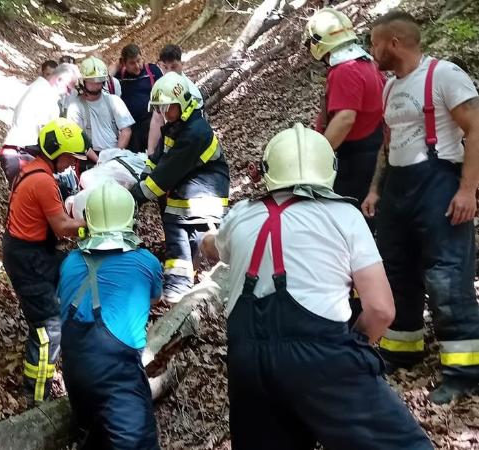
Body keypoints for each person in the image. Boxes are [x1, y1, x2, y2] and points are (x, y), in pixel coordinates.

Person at [201, 123, 434, 450]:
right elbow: (381, 309)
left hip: (247, 361)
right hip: (322, 358)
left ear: (268, 171)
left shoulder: (241, 214)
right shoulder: (344, 216)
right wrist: (357, 344)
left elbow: (213, 247)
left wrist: (206, 240)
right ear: (329, 170)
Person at [362, 10, 479, 404]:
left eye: (375, 43)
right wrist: (377, 189)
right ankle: (402, 351)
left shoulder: (443, 75)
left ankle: (464, 371)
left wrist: (467, 191)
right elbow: (389, 142)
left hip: (440, 185)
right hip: (398, 190)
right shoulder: (388, 88)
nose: (372, 51)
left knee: (446, 278)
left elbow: (475, 128)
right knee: (397, 270)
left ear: (393, 42)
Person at [58, 182, 162, 449]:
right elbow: (155, 299)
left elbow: (62, 299)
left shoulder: (69, 262)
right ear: (129, 220)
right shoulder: (146, 262)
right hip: (117, 375)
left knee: (96, 435)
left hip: (74, 371)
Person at [2, 118, 88, 407]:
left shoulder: (34, 170)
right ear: (55, 151)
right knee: (48, 327)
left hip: (34, 252)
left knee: (73, 273)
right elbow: (63, 227)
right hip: (29, 259)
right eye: (69, 157)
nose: (70, 164)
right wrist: (89, 226)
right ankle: (37, 395)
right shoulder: (41, 180)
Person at [130, 72, 229, 303]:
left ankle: (179, 286)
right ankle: (185, 279)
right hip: (194, 190)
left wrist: (134, 196)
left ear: (182, 103)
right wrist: (144, 177)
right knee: (183, 233)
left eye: (167, 107)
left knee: (178, 228)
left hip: (204, 194)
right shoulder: (177, 126)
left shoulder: (194, 132)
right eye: (160, 108)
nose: (164, 113)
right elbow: (157, 159)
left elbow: (165, 175)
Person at [305, 7, 385, 218]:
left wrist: (320, 156)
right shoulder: (366, 63)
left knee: (349, 219)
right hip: (369, 154)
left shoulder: (345, 70)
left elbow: (345, 118)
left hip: (356, 161)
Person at [1, 63, 80, 184]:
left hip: (17, 151)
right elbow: (47, 136)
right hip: (21, 153)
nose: (69, 93)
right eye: (68, 88)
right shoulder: (46, 96)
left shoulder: (38, 88)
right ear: (59, 80)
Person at [67, 57, 135, 161]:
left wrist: (116, 154)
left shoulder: (114, 101)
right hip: (90, 156)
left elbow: (126, 130)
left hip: (114, 152)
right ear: (83, 81)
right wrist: (98, 161)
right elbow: (78, 138)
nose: (96, 85)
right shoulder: (75, 107)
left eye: (99, 81)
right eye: (92, 81)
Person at [115, 43, 164, 154]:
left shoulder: (153, 71)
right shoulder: (119, 77)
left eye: (139, 61)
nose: (137, 66)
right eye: (132, 63)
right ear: (124, 63)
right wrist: (116, 67)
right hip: (130, 128)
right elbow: (105, 82)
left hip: (152, 123)